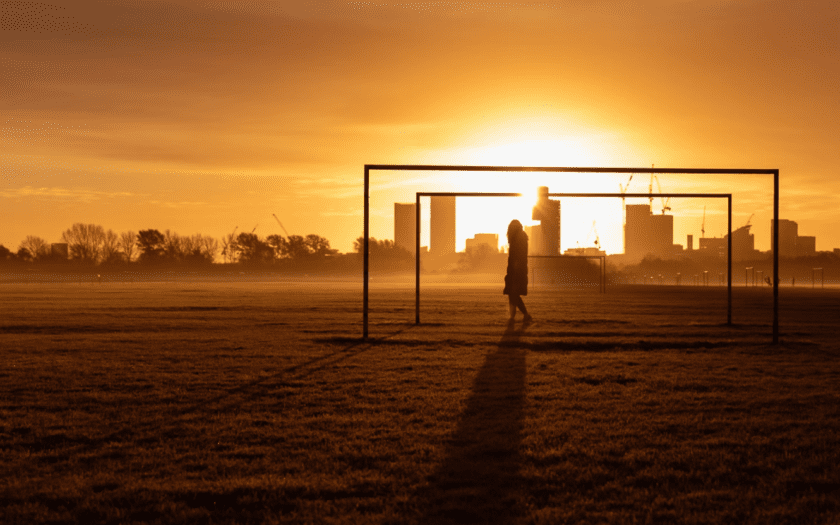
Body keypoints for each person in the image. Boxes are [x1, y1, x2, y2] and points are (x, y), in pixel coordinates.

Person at [503, 219, 532, 323]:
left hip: (517, 271)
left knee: (513, 293)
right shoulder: (517, 237)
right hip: (514, 270)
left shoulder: (519, 237)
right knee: (512, 294)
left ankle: (517, 316)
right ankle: (517, 316)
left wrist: (515, 268)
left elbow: (519, 255)